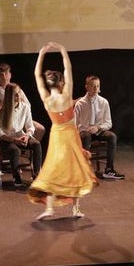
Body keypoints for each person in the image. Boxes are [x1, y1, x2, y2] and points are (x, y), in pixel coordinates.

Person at [28, 42, 98, 220]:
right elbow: (68, 68)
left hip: (57, 136)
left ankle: (50, 208)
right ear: (60, 83)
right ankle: (75, 209)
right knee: (74, 170)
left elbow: (36, 74)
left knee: (54, 169)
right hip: (69, 135)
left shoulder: (46, 99)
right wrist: (62, 50)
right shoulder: (67, 95)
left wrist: (41, 53)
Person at [74, 75, 124, 181]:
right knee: (86, 136)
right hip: (84, 132)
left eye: (97, 86)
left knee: (112, 136)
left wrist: (98, 127)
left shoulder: (104, 102)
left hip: (98, 132)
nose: (95, 89)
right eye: (92, 86)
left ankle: (109, 169)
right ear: (87, 87)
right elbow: (74, 124)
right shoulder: (80, 104)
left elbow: (108, 123)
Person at [0, 82, 43, 188]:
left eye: (19, 93)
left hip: (20, 135)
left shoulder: (25, 107)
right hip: (6, 138)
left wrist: (27, 136)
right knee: (15, 150)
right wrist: (13, 140)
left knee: (37, 144)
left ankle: (37, 175)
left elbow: (30, 127)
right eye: (15, 94)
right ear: (9, 96)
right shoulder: (2, 110)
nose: (18, 96)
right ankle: (16, 177)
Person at [0, 62, 46, 144]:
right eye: (1, 74)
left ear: (10, 74)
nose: (4, 76)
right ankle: (14, 148)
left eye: (6, 73)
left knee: (40, 129)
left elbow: (27, 105)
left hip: (19, 120)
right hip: (5, 122)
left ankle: (25, 150)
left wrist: (18, 104)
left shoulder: (17, 90)